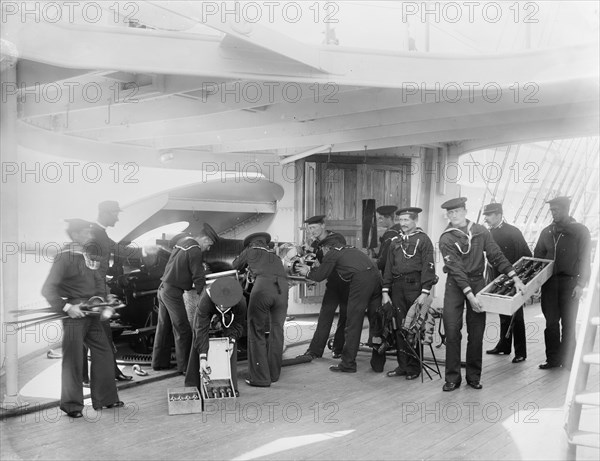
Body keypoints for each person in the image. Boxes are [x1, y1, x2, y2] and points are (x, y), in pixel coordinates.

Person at [439, 197, 526, 391]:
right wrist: (470, 296)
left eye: (457, 211)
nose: (453, 216)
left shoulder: (480, 231)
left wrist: (515, 278)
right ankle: (452, 378)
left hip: (478, 282)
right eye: (450, 213)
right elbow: (456, 269)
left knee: (476, 332)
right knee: (452, 331)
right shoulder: (446, 237)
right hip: (456, 284)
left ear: (464, 211)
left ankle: (473, 376)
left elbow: (496, 255)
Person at [41, 219, 123, 418]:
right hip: (74, 315)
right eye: (86, 233)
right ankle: (72, 406)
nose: (90, 236)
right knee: (73, 360)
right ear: (76, 235)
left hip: (92, 312)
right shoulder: (63, 258)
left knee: (104, 352)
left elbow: (98, 285)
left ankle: (106, 398)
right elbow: (48, 289)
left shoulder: (89, 257)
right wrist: (67, 307)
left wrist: (107, 299)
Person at [297, 234, 382, 373]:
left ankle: (348, 364)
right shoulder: (352, 249)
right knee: (377, 321)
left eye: (323, 250)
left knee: (353, 322)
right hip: (376, 278)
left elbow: (319, 276)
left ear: (326, 248)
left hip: (360, 281)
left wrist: (307, 272)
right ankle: (378, 364)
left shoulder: (332, 252)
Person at [533, 196, 591, 370]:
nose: (553, 213)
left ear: (566, 210)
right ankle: (552, 360)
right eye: (551, 210)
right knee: (551, 323)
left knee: (568, 323)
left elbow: (584, 259)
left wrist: (581, 284)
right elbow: (537, 259)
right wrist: (535, 284)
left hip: (570, 283)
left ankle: (569, 360)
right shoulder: (546, 232)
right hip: (550, 284)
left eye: (556, 210)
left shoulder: (581, 231)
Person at [381, 207, 436, 380]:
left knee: (413, 327)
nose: (403, 224)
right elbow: (388, 268)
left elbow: (429, 267)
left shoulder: (423, 240)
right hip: (397, 288)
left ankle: (414, 368)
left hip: (415, 287)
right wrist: (385, 291)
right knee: (399, 327)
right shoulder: (394, 241)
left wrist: (425, 292)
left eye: (406, 220)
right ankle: (402, 365)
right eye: (401, 220)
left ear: (415, 221)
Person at [152, 228, 214, 373]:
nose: (208, 248)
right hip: (172, 292)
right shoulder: (195, 249)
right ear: (205, 240)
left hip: (163, 288)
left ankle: (159, 363)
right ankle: (186, 367)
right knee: (183, 328)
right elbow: (198, 275)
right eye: (209, 245)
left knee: (164, 327)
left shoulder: (183, 243)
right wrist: (204, 297)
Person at [232, 232, 289, 387]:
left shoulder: (251, 251)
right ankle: (273, 374)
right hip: (282, 290)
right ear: (266, 244)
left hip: (263, 288)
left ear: (251, 244)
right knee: (277, 331)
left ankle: (260, 378)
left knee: (256, 330)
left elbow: (234, 265)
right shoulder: (276, 258)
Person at [86, 200, 133, 382]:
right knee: (103, 337)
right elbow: (90, 267)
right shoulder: (93, 234)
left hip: (96, 293)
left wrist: (149, 250)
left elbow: (119, 250)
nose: (117, 218)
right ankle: (107, 375)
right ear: (105, 213)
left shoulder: (100, 233)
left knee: (94, 338)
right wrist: (103, 292)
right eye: (115, 213)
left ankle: (90, 375)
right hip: (95, 296)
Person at [483, 202, 532, 363]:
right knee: (503, 312)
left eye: (489, 215)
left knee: (516, 316)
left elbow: (526, 255)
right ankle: (504, 346)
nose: (487, 218)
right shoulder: (490, 233)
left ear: (498, 215)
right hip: (498, 278)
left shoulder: (513, 232)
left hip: (514, 278)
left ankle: (521, 352)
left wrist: (518, 276)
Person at [297, 215, 348, 361]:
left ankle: (339, 349)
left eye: (313, 228)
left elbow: (325, 259)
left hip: (346, 283)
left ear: (323, 225)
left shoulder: (336, 239)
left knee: (345, 316)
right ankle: (315, 351)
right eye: (309, 229)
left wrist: (311, 269)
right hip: (333, 283)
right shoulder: (316, 243)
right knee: (325, 316)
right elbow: (313, 258)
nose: (311, 231)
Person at [185, 277, 246, 395]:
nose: (222, 308)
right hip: (209, 306)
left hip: (230, 315)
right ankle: (192, 384)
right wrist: (203, 357)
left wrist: (232, 341)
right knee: (196, 336)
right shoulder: (205, 300)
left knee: (229, 346)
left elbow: (237, 325)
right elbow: (201, 329)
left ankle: (232, 385)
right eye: (221, 306)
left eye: (225, 307)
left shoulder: (241, 302)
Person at [375, 205, 402, 272]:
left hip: (390, 272)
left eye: (381, 218)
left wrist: (372, 264)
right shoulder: (396, 230)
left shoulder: (391, 235)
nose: (379, 221)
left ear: (389, 218)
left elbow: (383, 261)